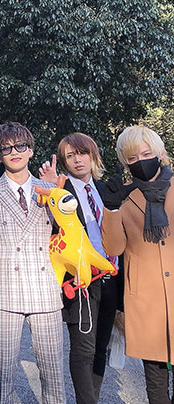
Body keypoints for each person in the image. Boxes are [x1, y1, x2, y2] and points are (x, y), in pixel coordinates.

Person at [0, 122, 65, 404]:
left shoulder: (49, 189)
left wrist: (60, 205)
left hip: (45, 288)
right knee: (2, 377)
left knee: (53, 375)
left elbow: (66, 234)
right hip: (4, 290)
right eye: (6, 148)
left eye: (20, 146)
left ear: (31, 150)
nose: (14, 152)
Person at [38, 133, 118, 404]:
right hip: (80, 280)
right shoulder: (61, 190)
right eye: (70, 156)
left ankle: (92, 397)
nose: (77, 160)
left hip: (110, 276)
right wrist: (52, 189)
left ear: (93, 155)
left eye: (82, 153)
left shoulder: (106, 190)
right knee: (83, 348)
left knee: (101, 347)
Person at [101, 126, 174, 404]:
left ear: (159, 154)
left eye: (145, 154)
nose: (140, 161)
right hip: (146, 301)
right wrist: (111, 209)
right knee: (155, 383)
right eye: (132, 158)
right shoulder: (126, 198)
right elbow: (113, 248)